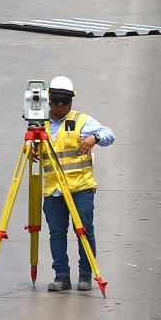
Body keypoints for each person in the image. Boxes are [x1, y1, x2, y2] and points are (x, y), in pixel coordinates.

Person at [40, 75, 115, 292]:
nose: (61, 105)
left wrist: (95, 139)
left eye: (66, 101)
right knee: (56, 233)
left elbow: (109, 134)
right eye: (57, 101)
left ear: (72, 101)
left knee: (84, 231)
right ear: (49, 100)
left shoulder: (81, 120)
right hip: (53, 189)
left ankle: (86, 274)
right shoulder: (40, 123)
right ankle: (61, 276)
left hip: (80, 188)